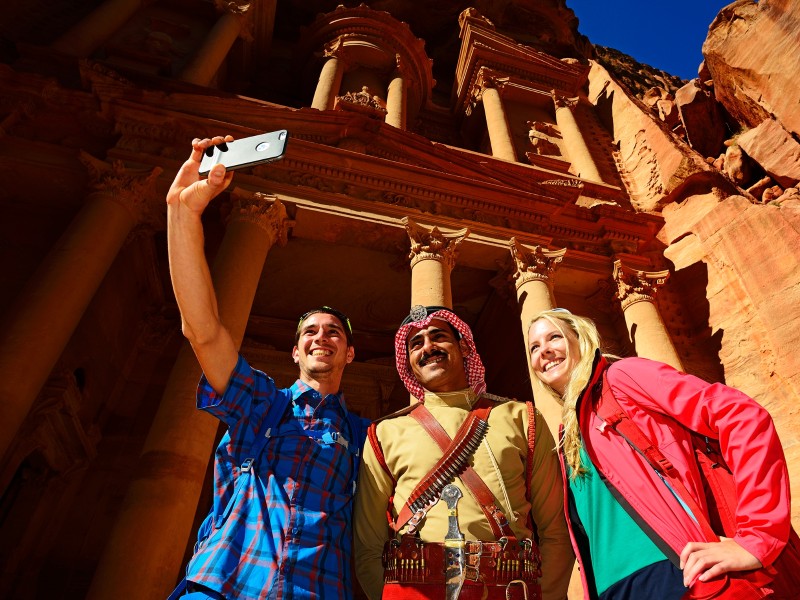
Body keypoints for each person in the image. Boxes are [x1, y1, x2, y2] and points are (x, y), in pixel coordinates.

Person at [166, 135, 369, 599]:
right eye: (310, 332)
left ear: (350, 353)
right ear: (295, 352)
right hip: (224, 584)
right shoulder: (262, 403)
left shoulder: (365, 437)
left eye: (334, 332)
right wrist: (182, 215)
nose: (321, 338)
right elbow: (202, 331)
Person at [527, 308, 796, 599]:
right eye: (534, 347)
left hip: (678, 575)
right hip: (613, 591)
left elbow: (740, 415)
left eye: (554, 337)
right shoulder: (566, 435)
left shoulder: (620, 377)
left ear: (580, 338)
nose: (544, 351)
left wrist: (757, 537)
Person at [354, 305, 574, 600]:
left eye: (438, 336)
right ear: (408, 363)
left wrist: (544, 595)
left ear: (465, 347)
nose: (428, 347)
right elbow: (368, 545)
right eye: (416, 344)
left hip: (508, 588)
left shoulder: (521, 417)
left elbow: (555, 528)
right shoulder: (384, 433)